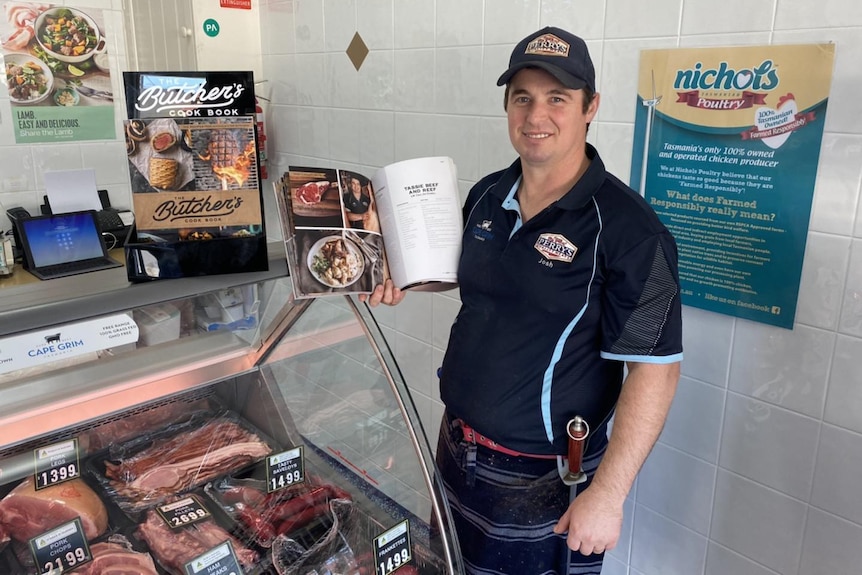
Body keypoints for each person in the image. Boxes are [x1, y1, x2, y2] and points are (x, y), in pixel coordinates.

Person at [362, 26, 682, 575]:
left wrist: (608, 495)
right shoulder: (488, 193)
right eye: (523, 98)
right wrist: (402, 274)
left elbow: (655, 371)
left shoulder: (631, 230)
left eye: (557, 98)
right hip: (455, 447)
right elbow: (469, 279)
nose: (537, 115)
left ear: (590, 108)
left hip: (545, 477)